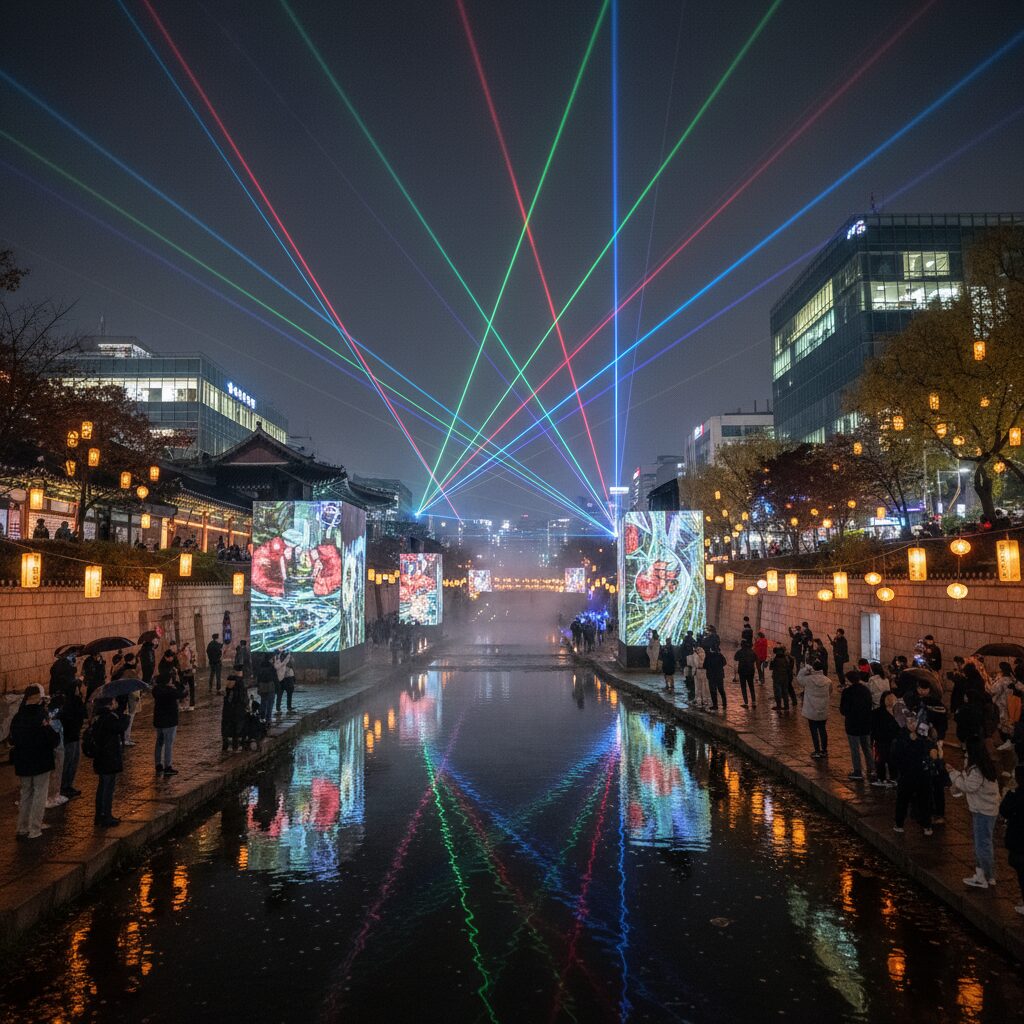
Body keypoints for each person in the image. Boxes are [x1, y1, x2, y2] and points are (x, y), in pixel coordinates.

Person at [948, 741, 1000, 889]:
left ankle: (983, 877)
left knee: (982, 845)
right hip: (988, 810)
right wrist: (958, 774)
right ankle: (988, 876)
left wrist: (953, 774)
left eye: (966, 754)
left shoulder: (977, 771)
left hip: (982, 811)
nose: (965, 756)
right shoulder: (985, 768)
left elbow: (968, 786)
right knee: (985, 843)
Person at [11, 685, 59, 840]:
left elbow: (13, 739)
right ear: (37, 697)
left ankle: (22, 827)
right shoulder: (41, 715)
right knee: (39, 794)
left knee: (25, 794)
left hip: (23, 761)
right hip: (41, 760)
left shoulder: (18, 717)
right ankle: (35, 828)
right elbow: (52, 739)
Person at [892, 718, 937, 836]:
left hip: (922, 773)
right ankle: (899, 823)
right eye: (909, 722)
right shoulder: (902, 734)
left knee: (924, 800)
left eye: (914, 721)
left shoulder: (923, 732)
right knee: (903, 799)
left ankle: (926, 824)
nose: (912, 724)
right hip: (908, 773)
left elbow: (929, 746)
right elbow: (897, 753)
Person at [90, 699, 128, 826]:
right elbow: (121, 727)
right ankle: (105, 815)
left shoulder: (98, 717)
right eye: (114, 701)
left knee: (103, 786)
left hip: (102, 757)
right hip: (108, 757)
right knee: (107, 787)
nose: (116, 702)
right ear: (109, 704)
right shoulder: (108, 718)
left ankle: (101, 815)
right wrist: (124, 715)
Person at [998, 764, 1024, 916]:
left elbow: (1005, 810)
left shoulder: (1017, 794)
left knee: (1021, 870)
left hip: (1019, 839)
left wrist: (1011, 792)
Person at [840, 669, 874, 781]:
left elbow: (843, 710)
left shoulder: (847, 692)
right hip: (865, 723)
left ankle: (858, 771)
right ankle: (872, 768)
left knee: (855, 749)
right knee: (867, 748)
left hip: (853, 724)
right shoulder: (865, 690)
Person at [152, 668, 184, 776]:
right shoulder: (171, 691)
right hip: (170, 721)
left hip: (159, 721)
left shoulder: (156, 690)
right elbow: (182, 693)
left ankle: (158, 764)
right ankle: (167, 766)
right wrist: (178, 682)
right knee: (169, 744)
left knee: (159, 742)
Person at [59, 680, 87, 798]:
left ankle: (67, 785)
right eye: (81, 687)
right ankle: (65, 786)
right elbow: (83, 714)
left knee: (73, 761)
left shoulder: (72, 701)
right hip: (71, 736)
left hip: (73, 735)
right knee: (70, 761)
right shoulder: (74, 701)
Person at [798, 660, 831, 758]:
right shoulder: (828, 681)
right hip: (823, 709)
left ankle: (817, 750)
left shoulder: (808, 680)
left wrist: (805, 669)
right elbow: (830, 692)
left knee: (813, 731)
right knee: (822, 730)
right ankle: (824, 750)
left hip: (811, 710)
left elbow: (799, 678)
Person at [872, 691, 901, 788]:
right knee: (881, 760)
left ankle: (894, 778)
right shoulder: (877, 713)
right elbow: (873, 727)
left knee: (893, 760)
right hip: (882, 741)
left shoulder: (898, 712)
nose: (890, 701)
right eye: (888, 699)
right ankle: (881, 778)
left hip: (894, 741)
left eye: (892, 699)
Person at [221, 674, 248, 752]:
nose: (228, 683)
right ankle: (228, 746)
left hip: (235, 714)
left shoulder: (237, 691)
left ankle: (234, 746)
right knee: (228, 730)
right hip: (229, 714)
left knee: (235, 730)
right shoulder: (229, 690)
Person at [734, 640, 757, 707]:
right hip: (751, 671)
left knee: (743, 687)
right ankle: (753, 701)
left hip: (742, 671)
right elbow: (755, 659)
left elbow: (735, 658)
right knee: (751, 686)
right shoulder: (752, 652)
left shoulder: (739, 652)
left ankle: (746, 702)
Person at [256, 654, 277, 728]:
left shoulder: (260, 666)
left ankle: (262, 718)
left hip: (262, 686)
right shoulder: (271, 667)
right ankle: (268, 719)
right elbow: (275, 677)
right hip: (270, 686)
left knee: (263, 702)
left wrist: (258, 686)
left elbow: (258, 677)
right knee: (270, 703)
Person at [770, 646, 794, 711]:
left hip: (777, 677)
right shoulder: (786, 659)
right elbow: (789, 666)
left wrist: (771, 661)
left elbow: (771, 668)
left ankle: (779, 706)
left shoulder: (776, 659)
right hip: (785, 677)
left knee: (778, 692)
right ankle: (786, 707)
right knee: (785, 692)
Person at [705, 645, 727, 712]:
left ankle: (715, 705)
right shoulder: (720, 655)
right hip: (719, 675)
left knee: (713, 691)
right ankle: (724, 703)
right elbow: (724, 663)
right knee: (721, 689)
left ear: (711, 649)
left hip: (711, 676)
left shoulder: (708, 656)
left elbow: (704, 665)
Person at [688, 645, 710, 710]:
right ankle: (705, 700)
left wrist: (692, 672)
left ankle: (699, 701)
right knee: (704, 686)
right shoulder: (704, 653)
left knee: (698, 687)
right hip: (704, 671)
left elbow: (695, 664)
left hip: (698, 672)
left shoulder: (695, 655)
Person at [178, 640, 196, 711]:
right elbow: (179, 664)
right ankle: (183, 704)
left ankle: (192, 704)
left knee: (192, 689)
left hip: (190, 673)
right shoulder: (180, 655)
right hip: (183, 673)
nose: (187, 650)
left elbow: (194, 661)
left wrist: (194, 668)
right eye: (185, 648)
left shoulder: (192, 653)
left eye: (188, 648)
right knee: (183, 689)